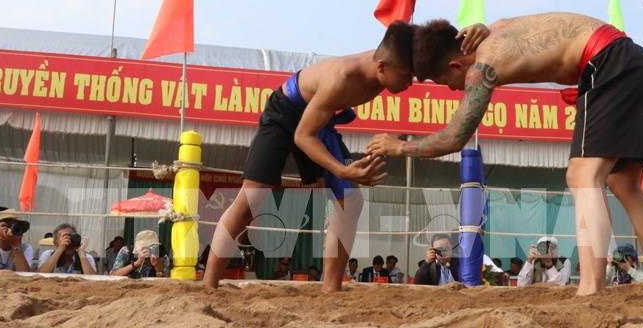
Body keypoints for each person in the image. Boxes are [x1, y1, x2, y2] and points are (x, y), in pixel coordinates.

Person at [368, 14, 643, 296]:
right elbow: (504, 26)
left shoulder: (482, 67)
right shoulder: (494, 31)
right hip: (639, 63)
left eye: (445, 82)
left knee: (582, 175)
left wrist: (399, 147)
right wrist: (483, 27)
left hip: (608, 63)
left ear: (456, 66)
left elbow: (454, 138)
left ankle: (592, 286)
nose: (451, 89)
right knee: (624, 184)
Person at [203, 22, 488, 293]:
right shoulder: (341, 78)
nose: (409, 82)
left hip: (320, 120)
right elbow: (303, 136)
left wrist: (476, 32)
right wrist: (342, 170)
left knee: (350, 202)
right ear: (382, 66)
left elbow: (427, 38)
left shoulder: (389, 66)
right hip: (285, 115)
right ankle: (209, 284)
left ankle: (331, 287)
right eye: (406, 75)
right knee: (251, 199)